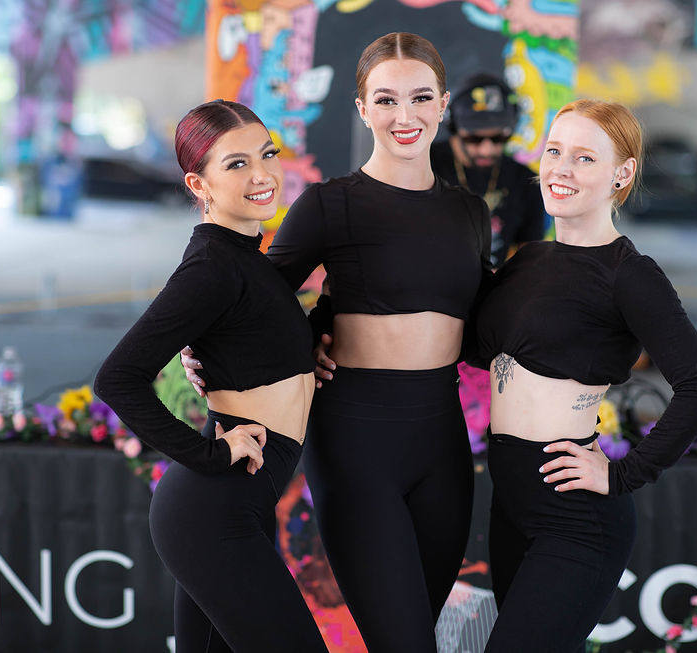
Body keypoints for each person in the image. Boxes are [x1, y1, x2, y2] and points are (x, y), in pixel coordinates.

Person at [183, 32, 491, 653]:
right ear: (361, 109)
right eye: (385, 100)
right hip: (357, 443)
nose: (404, 116)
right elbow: (253, 300)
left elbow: (478, 322)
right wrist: (211, 351)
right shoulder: (330, 205)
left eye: (420, 98)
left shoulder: (468, 211)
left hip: (443, 445)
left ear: (442, 104)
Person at [473, 99, 697, 652]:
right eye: (554, 151)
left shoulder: (629, 275)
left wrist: (623, 475)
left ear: (622, 173)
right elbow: (466, 348)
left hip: (576, 519)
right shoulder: (528, 261)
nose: (560, 168)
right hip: (511, 505)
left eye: (584, 158)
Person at [94, 100, 328, 653]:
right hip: (212, 511)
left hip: (239, 504)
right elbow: (117, 377)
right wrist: (209, 456)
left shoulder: (249, 260)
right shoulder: (213, 267)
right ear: (199, 183)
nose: (261, 174)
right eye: (236, 164)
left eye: (266, 154)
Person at [432, 73, 547, 266]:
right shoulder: (423, 166)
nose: (487, 149)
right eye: (474, 139)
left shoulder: (525, 180)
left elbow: (531, 257)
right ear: (453, 128)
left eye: (498, 139)